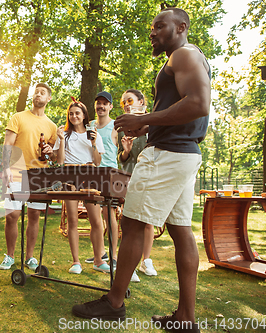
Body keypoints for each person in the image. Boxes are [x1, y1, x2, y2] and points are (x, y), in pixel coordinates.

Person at [72, 8, 210, 332]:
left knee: (132, 224)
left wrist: (144, 120)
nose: (153, 32)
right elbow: (183, 111)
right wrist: (145, 129)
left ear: (181, 27)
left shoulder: (184, 55)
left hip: (168, 156)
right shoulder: (186, 58)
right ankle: (185, 318)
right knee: (180, 231)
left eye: (159, 26)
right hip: (184, 154)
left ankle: (114, 303)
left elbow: (199, 103)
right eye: (152, 28)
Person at [0, 83, 57, 271]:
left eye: (42, 93)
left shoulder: (52, 126)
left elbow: (54, 155)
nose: (38, 95)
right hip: (16, 171)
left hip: (39, 174)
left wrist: (50, 151)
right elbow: (8, 143)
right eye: (36, 92)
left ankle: (30, 257)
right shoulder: (18, 117)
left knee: (34, 216)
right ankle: (10, 255)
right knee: (12, 216)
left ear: (49, 98)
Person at [53, 99, 106, 274]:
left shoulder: (93, 135)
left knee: (96, 221)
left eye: (77, 113)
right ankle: (76, 262)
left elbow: (97, 162)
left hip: (90, 176)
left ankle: (98, 260)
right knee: (73, 220)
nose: (74, 116)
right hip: (70, 176)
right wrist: (60, 140)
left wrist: (93, 144)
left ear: (84, 116)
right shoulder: (64, 135)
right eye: (71, 113)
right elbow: (60, 162)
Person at [117, 89, 158, 283]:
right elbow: (123, 160)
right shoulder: (123, 129)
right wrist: (126, 151)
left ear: (141, 102)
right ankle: (129, 266)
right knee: (130, 222)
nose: (126, 104)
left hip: (150, 177)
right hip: (130, 178)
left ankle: (146, 261)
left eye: (130, 100)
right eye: (123, 101)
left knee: (148, 220)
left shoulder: (153, 123)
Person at [85, 91, 118, 271]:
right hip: (91, 174)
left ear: (110, 106)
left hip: (109, 175)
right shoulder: (90, 125)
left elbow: (122, 151)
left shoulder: (115, 126)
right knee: (94, 220)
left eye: (105, 103)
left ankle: (113, 255)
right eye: (99, 103)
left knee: (109, 216)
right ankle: (100, 254)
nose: (101, 106)